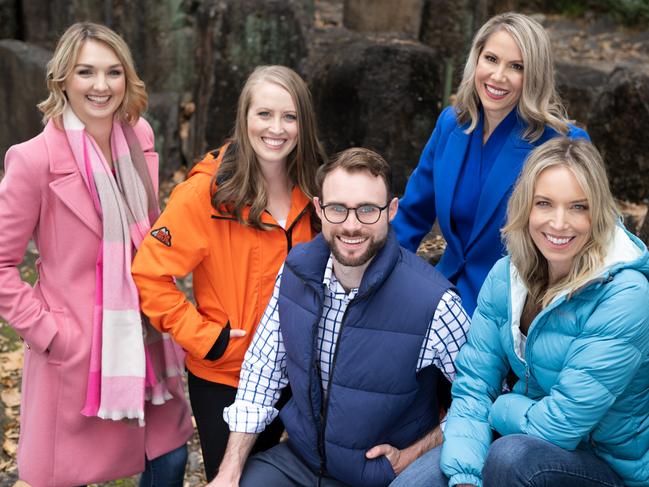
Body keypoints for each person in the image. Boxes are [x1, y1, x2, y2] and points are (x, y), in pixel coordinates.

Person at [391, 137, 649, 487]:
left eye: (578, 207)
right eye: (545, 203)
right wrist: (464, 477)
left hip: (605, 466)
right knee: (416, 483)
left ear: (598, 211)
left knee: (510, 458)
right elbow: (475, 385)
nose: (559, 223)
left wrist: (501, 408)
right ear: (526, 206)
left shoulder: (625, 294)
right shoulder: (506, 276)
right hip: (519, 434)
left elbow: (560, 426)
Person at [0, 22, 193, 486]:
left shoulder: (139, 136)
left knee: (169, 460)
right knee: (69, 475)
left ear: (128, 78)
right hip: (81, 354)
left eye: (113, 72)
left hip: (145, 338)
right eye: (86, 72)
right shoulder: (33, 160)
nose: (101, 86)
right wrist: (51, 332)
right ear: (62, 78)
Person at [208, 147, 471, 487]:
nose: (351, 226)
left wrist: (414, 454)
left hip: (378, 475)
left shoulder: (434, 302)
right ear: (319, 208)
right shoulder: (295, 272)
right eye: (337, 209)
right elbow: (262, 372)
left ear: (391, 211)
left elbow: (479, 398)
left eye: (367, 210)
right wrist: (229, 472)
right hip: (300, 463)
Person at [132, 65, 326, 480]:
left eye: (289, 117)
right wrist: (208, 339)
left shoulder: (315, 186)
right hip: (227, 374)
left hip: (300, 373)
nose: (277, 128)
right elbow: (150, 274)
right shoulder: (206, 192)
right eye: (264, 114)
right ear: (244, 118)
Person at [392, 12, 589, 316]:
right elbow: (411, 215)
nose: (498, 76)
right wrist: (378, 278)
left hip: (517, 309)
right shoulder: (452, 124)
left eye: (516, 67)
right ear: (476, 59)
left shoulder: (563, 144)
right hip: (444, 290)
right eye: (492, 59)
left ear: (534, 75)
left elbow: (596, 235)